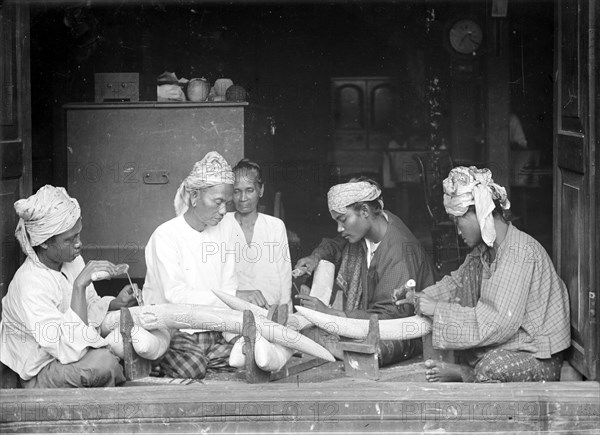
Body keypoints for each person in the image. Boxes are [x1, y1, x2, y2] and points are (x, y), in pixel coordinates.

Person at [395, 166, 570, 383]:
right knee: (469, 346)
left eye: (458, 222)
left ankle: (463, 374)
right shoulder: (485, 252)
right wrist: (419, 297)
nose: (458, 232)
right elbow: (455, 284)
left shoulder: (519, 252)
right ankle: (467, 371)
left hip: (538, 356)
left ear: (479, 212)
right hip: (512, 345)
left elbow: (496, 323)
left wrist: (437, 310)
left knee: (490, 367)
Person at [143, 151, 266, 379]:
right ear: (194, 196)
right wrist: (235, 295)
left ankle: (204, 358)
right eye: (218, 202)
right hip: (175, 329)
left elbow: (229, 282)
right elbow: (175, 296)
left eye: (227, 204)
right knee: (194, 367)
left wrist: (234, 333)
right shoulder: (166, 236)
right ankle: (185, 359)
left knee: (256, 357)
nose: (223, 211)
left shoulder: (226, 228)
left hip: (215, 330)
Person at [0, 185, 137, 388]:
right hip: (42, 369)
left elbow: (88, 306)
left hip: (72, 349)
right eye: (70, 239)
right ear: (45, 242)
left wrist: (114, 304)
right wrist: (80, 286)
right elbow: (71, 347)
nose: (79, 244)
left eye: (79, 235)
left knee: (131, 335)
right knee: (104, 364)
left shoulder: (72, 260)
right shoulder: (30, 284)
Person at [295, 177, 436, 365]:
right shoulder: (370, 228)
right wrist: (315, 257)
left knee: (376, 349)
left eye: (343, 220)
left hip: (400, 330)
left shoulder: (399, 252)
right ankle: (343, 346)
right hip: (368, 319)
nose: (339, 228)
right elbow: (335, 245)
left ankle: (345, 348)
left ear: (364, 210)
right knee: (316, 333)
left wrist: (333, 314)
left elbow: (391, 315)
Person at [221, 158, 292, 310]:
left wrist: (286, 315)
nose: (242, 198)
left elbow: (285, 278)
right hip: (233, 311)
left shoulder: (275, 226)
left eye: (249, 190)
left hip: (270, 311)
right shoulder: (222, 224)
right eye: (236, 191)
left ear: (261, 190)